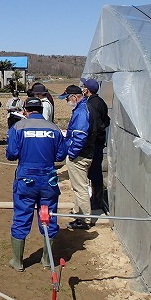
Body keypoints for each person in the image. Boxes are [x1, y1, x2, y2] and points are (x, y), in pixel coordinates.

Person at [5, 97, 67, 271]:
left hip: (26, 179)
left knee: (21, 217)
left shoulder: (17, 128)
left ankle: (18, 262)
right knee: (48, 217)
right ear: (41, 109)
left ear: (26, 110)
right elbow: (61, 155)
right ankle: (47, 261)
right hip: (48, 180)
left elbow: (11, 154)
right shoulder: (54, 128)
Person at [58, 84, 96, 230]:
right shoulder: (84, 108)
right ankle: (78, 212)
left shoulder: (81, 112)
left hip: (80, 156)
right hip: (83, 153)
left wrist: (72, 153)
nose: (67, 101)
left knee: (80, 188)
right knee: (79, 187)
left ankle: (85, 219)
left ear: (74, 97)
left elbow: (80, 135)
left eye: (67, 98)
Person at [80, 78, 110, 213]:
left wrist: (92, 139)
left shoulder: (92, 104)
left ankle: (96, 201)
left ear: (88, 89)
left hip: (95, 144)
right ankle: (95, 199)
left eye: (84, 86)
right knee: (95, 171)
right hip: (99, 142)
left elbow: (96, 124)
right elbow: (107, 121)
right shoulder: (100, 102)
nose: (82, 88)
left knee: (95, 172)